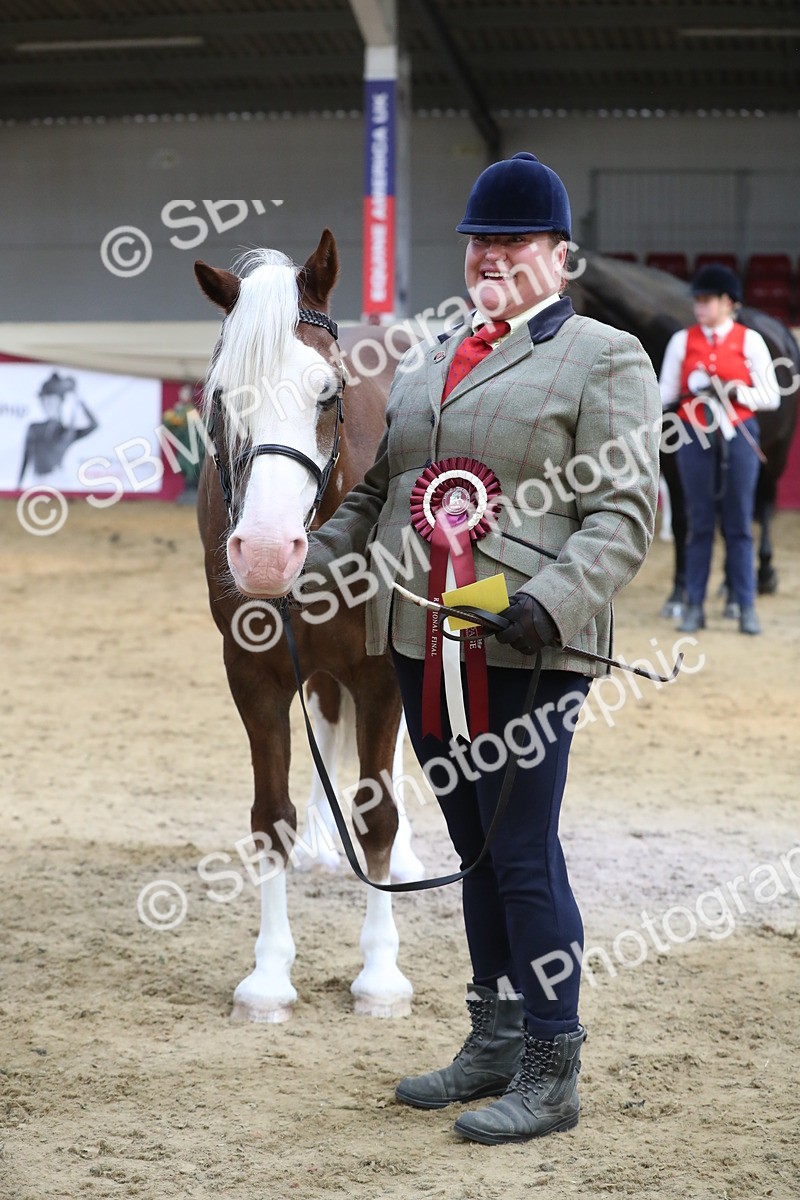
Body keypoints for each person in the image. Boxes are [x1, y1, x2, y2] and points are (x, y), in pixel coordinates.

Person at [302, 151, 661, 1144]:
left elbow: (625, 510)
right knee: (470, 850)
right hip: (420, 640)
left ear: (555, 252)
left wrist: (546, 604)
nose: (490, 256)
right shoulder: (434, 353)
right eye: (479, 242)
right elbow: (380, 492)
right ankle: (492, 1041)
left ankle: (551, 1065)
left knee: (520, 852)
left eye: (511, 241)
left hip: (527, 646)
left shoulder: (602, 356)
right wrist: (306, 557)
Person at [658, 264, 780, 636]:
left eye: (707, 300)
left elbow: (772, 395)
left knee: (739, 524)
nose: (699, 306)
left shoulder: (750, 340)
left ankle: (745, 605)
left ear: (728, 303)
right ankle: (694, 605)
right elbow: (664, 394)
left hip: (738, 434)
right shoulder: (682, 340)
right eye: (697, 299)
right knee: (699, 524)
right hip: (694, 438)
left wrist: (735, 392)